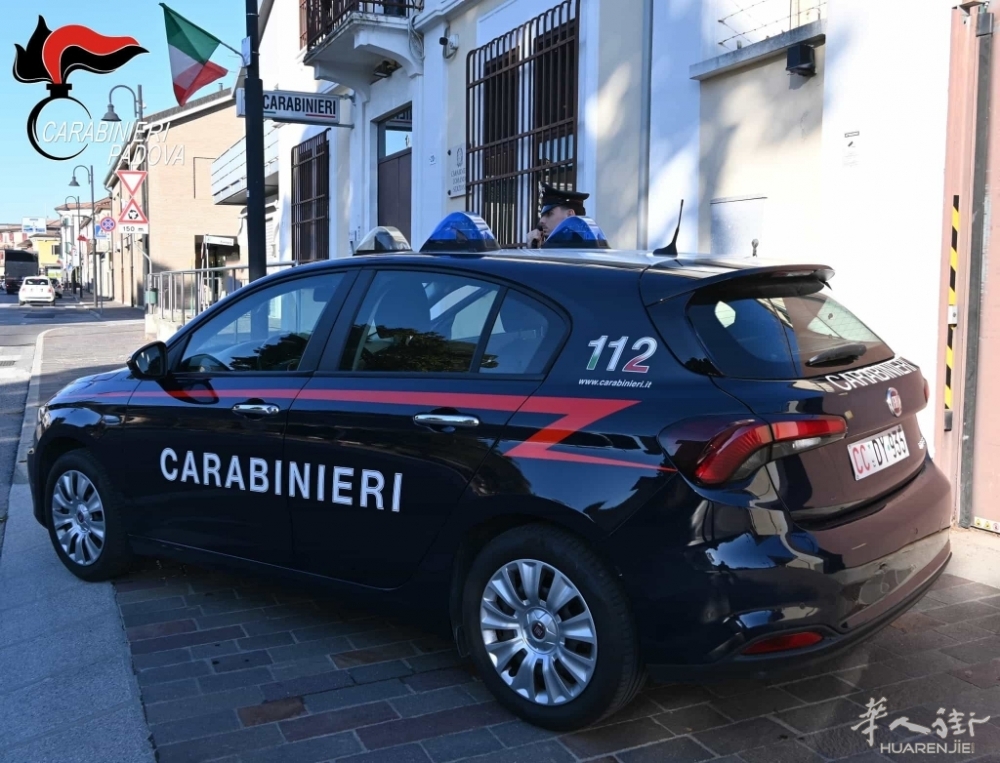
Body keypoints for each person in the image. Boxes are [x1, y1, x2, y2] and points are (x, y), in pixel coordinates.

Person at [526, 183, 590, 248]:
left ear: (570, 215)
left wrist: (532, 249)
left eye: (549, 214)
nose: (541, 221)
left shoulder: (571, 248)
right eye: (543, 215)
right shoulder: (587, 244)